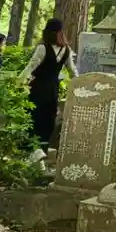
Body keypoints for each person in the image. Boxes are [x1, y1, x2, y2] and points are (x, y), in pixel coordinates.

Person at [20, 18, 74, 156]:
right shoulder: (66, 50)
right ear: (61, 32)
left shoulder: (42, 48)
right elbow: (73, 71)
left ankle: (31, 150)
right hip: (53, 90)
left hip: (37, 88)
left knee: (34, 118)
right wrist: (79, 85)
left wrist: (17, 83)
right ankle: (42, 149)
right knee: (49, 119)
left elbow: (30, 67)